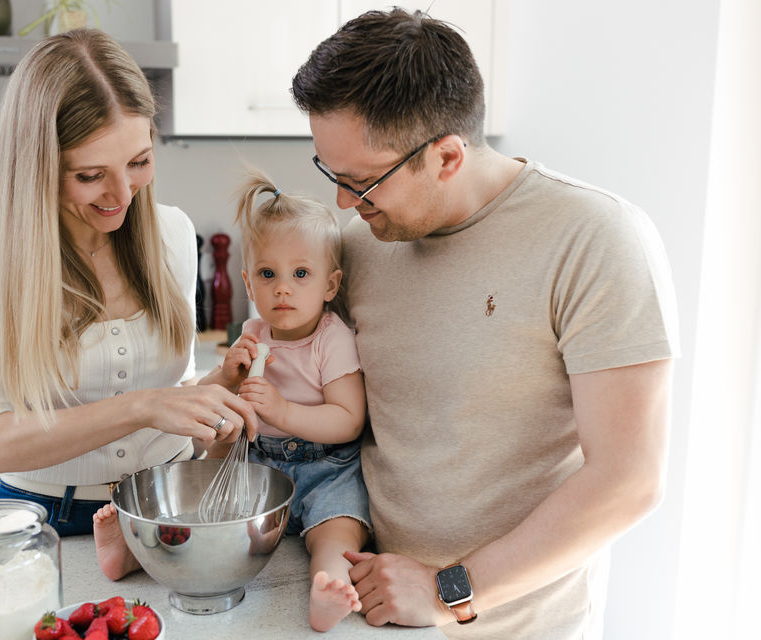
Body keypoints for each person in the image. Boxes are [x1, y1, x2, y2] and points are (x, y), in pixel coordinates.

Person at [291, 8, 679, 639]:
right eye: (331, 175)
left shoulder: (596, 239)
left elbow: (629, 479)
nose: (343, 203)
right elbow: (320, 400)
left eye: (360, 181)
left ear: (446, 156)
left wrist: (449, 591)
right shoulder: (361, 245)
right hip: (373, 617)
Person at [0, 29, 257, 566]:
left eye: (140, 162)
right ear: (36, 165)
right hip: (41, 521)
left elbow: (171, 391)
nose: (123, 195)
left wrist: (209, 393)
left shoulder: (172, 233)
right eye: (90, 175)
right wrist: (144, 406)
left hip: (171, 508)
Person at [203, 169, 370, 631]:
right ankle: (140, 551)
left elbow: (349, 420)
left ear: (330, 285)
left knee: (336, 534)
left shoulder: (332, 339)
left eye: (300, 274)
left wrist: (282, 411)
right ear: (248, 283)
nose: (282, 287)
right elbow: (203, 399)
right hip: (262, 465)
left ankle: (328, 587)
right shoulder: (252, 332)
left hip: (327, 468)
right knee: (215, 521)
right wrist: (226, 376)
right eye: (267, 274)